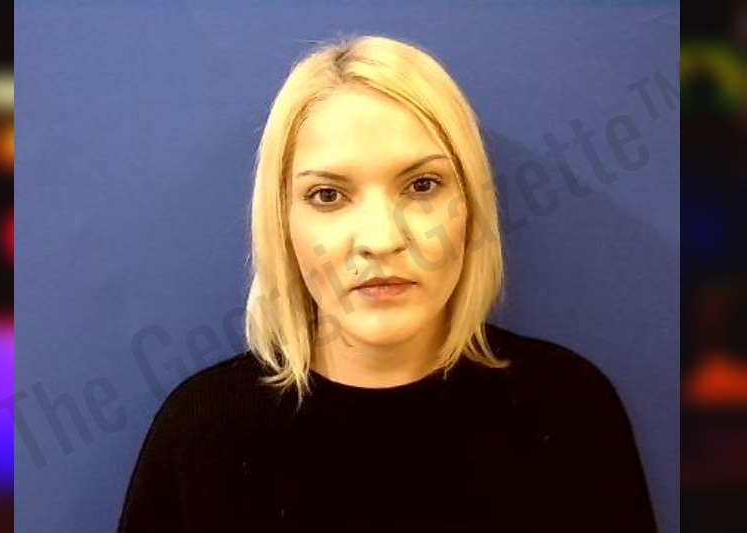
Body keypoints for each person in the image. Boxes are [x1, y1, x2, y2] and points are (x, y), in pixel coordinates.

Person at [117, 35, 658, 532]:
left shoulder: (567, 410)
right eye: (328, 195)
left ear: (471, 205)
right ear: (282, 221)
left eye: (422, 186)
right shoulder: (201, 435)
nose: (380, 240)